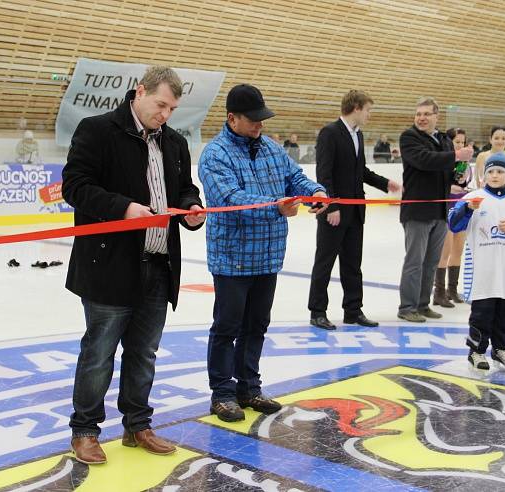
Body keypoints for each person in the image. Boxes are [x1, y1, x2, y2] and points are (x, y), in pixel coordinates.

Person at [61, 66, 205, 465]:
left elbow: (184, 188)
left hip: (158, 265)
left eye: (172, 108)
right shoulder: (98, 130)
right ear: (139, 92)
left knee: (144, 353)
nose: (166, 114)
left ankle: (137, 425)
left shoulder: (174, 142)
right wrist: (123, 208)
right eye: (160, 104)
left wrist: (193, 208)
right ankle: (86, 431)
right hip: (110, 263)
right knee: (99, 352)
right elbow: (76, 186)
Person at [198, 84, 328, 422]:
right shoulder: (215, 155)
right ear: (232, 118)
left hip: (267, 256)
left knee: (257, 325)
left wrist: (315, 192)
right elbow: (230, 200)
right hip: (232, 257)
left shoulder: (271, 148)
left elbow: (295, 178)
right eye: (252, 120)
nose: (259, 125)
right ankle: (222, 393)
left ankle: (249, 387)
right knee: (228, 326)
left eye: (261, 119)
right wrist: (277, 208)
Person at [308, 90, 401, 330]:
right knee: (324, 262)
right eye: (368, 110)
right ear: (357, 108)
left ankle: (353, 310)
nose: (370, 115)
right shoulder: (330, 133)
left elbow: (361, 172)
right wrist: (333, 206)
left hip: (356, 212)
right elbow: (324, 174)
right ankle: (317, 311)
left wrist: (385, 183)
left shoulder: (358, 136)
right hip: (335, 212)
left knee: (352, 264)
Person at [448, 152, 505, 370]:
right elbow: (453, 224)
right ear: (484, 175)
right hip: (482, 269)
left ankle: (500, 349)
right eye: (490, 172)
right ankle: (476, 352)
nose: (495, 176)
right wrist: (467, 209)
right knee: (482, 313)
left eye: (500, 172)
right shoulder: (474, 198)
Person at [397, 97, 474, 323]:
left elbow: (446, 170)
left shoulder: (443, 139)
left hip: (440, 210)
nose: (421, 118)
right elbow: (424, 160)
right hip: (417, 211)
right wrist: (456, 156)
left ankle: (422, 304)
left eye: (426, 114)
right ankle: (407, 306)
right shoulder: (409, 137)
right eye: (418, 113)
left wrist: (457, 174)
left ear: (436, 116)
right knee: (415, 260)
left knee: (431, 261)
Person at [434, 128, 472, 308]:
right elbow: (437, 185)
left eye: (462, 142)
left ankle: (452, 290)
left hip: (461, 208)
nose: (460, 145)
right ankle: (439, 292)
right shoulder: (443, 163)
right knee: (445, 252)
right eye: (457, 142)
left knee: (458, 251)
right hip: (446, 209)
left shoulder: (464, 164)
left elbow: (463, 184)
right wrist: (449, 188)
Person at [475, 126, 505, 191]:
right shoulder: (482, 156)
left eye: (503, 138)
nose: (500, 141)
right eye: (496, 138)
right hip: (487, 197)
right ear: (490, 140)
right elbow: (478, 181)